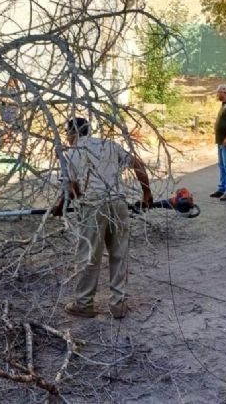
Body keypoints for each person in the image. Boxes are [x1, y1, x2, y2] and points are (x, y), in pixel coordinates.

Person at [52, 117, 152, 319]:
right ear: (88, 130)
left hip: (93, 206)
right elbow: (137, 164)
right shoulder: (109, 145)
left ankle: (84, 303)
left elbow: (71, 189)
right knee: (119, 254)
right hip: (118, 202)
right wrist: (147, 193)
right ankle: (118, 305)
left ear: (71, 134)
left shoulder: (72, 153)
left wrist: (60, 207)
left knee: (89, 256)